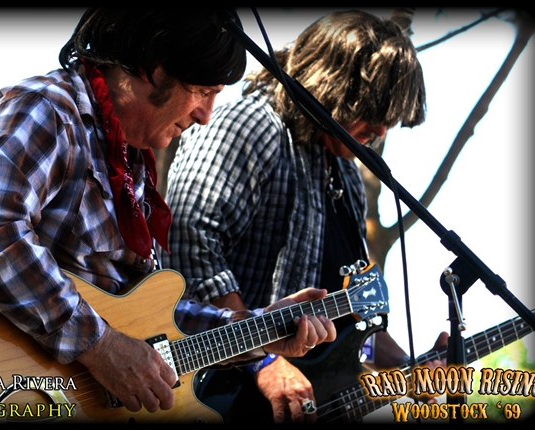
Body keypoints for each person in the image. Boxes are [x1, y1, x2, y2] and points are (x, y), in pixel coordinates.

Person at [0, 7, 337, 423]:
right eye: (202, 91)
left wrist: (260, 328)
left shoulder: (130, 160)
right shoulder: (45, 110)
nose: (206, 115)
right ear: (156, 67)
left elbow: (148, 319)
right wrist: (99, 347)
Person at [162, 9, 449, 424]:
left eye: (389, 119)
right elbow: (189, 244)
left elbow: (350, 325)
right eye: (373, 111)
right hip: (218, 395)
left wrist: (406, 368)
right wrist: (262, 362)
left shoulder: (345, 175)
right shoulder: (250, 124)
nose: (381, 130)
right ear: (332, 85)